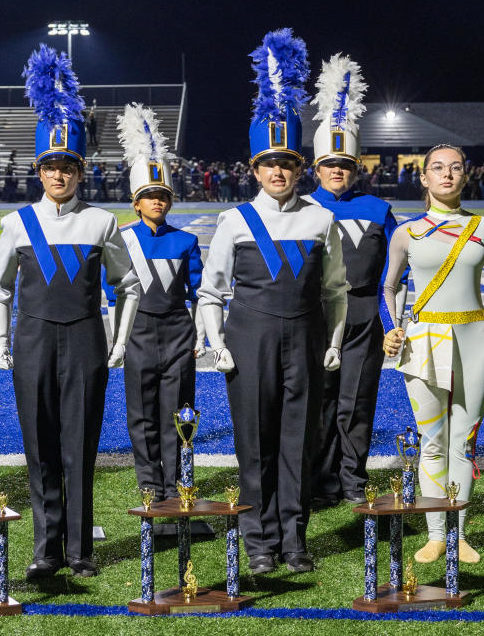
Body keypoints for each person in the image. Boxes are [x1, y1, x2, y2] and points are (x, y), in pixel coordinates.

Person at [198, 30, 348, 575]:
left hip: (305, 341)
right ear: (254, 169)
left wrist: (332, 343)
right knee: (254, 446)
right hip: (249, 341)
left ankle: (295, 538)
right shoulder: (234, 221)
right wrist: (216, 344)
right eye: (268, 163)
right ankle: (259, 540)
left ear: (299, 165)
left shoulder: (320, 218)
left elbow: (335, 290)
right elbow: (211, 291)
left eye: (287, 162)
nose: (278, 172)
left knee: (299, 443)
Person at [0, 45, 140, 579]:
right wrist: (0, 343)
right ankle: (44, 549)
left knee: (80, 447)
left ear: (80, 170)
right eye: (50, 165)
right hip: (31, 341)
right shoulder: (15, 223)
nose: (58, 174)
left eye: (67, 166)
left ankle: (80, 551)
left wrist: (118, 341)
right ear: (38, 169)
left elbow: (129, 284)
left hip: (84, 342)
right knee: (40, 449)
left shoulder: (101, 222)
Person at [381, 143, 484, 565]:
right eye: (437, 168)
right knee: (432, 441)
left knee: (465, 443)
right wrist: (392, 327)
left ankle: (457, 534)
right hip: (423, 341)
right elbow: (388, 287)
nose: (447, 174)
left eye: (455, 168)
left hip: (475, 339)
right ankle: (436, 534)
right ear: (423, 178)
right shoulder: (406, 232)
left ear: (465, 175)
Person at [307, 55, 404, 508]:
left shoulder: (379, 210)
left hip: (364, 313)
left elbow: (397, 270)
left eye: (345, 164)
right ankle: (318, 479)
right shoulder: (301, 209)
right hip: (316, 314)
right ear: (317, 167)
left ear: (355, 166)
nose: (337, 171)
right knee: (318, 400)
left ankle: (351, 478)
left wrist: (394, 318)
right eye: (330, 164)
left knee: (356, 399)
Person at [109, 103, 204, 501]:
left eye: (162, 195)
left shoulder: (186, 241)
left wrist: (199, 335)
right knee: (141, 413)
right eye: (149, 196)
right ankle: (149, 481)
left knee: (177, 413)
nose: (157, 201)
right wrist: (115, 339)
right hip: (138, 333)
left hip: (177, 332)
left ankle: (176, 481)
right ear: (136, 201)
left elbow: (198, 293)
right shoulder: (120, 237)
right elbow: (111, 294)